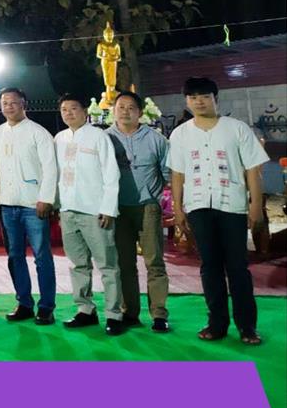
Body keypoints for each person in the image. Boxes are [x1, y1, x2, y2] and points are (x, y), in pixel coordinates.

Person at [170, 77, 269, 345]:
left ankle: (247, 326)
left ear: (216, 98)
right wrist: (178, 208)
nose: (199, 101)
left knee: (238, 267)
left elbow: (252, 170)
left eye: (204, 96)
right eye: (193, 97)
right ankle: (217, 323)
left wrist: (256, 205)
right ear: (186, 101)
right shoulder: (180, 134)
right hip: (199, 206)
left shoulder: (237, 129)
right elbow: (177, 174)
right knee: (209, 266)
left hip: (232, 205)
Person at [54, 94, 124, 336]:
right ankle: (85, 309)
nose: (68, 113)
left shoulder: (99, 137)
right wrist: (57, 204)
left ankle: (114, 314)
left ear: (85, 111)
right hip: (68, 210)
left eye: (73, 108)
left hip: (95, 211)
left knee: (107, 265)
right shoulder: (59, 139)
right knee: (77, 264)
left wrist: (108, 208)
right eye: (64, 109)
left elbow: (111, 174)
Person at [0, 88, 58, 325]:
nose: (8, 106)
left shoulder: (39, 133)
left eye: (13, 102)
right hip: (7, 205)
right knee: (14, 255)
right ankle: (24, 303)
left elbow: (50, 168)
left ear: (23, 104)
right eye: (4, 103)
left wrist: (46, 199)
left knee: (41, 256)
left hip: (33, 204)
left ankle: (46, 306)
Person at [106, 91, 171, 332]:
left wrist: (155, 196)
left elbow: (167, 171)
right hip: (118, 209)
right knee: (124, 263)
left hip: (147, 207)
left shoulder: (156, 139)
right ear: (113, 110)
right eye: (120, 107)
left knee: (154, 261)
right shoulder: (105, 139)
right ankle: (129, 312)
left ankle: (159, 314)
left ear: (140, 112)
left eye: (131, 107)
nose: (125, 111)